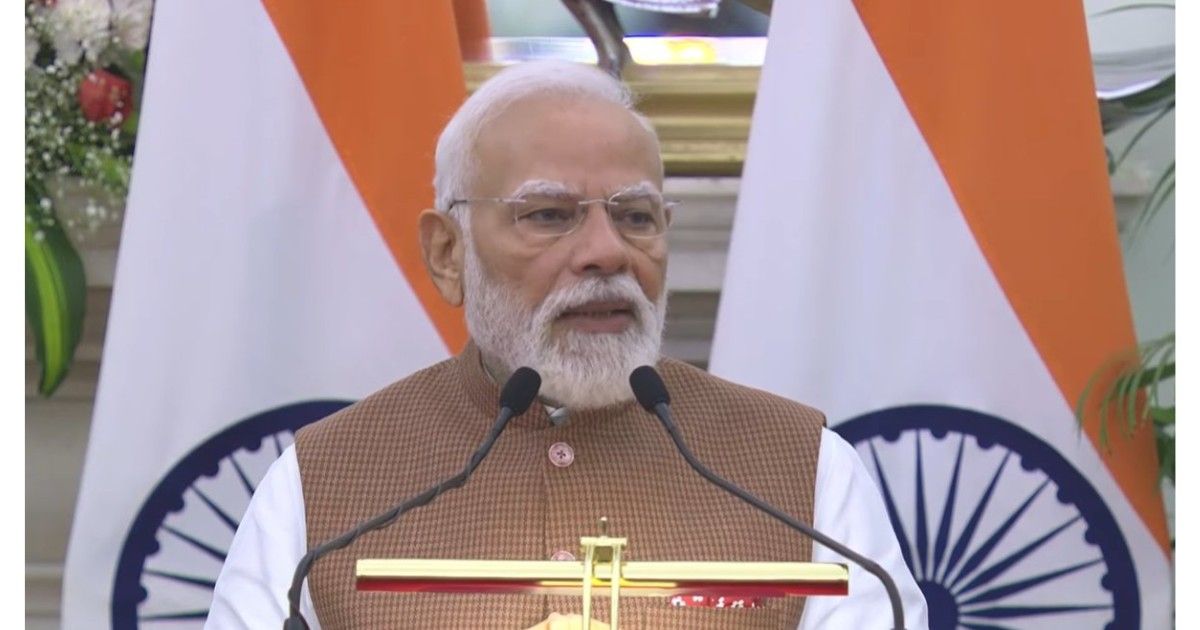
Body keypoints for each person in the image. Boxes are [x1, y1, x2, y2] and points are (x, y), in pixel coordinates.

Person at [206, 60, 929, 629]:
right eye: (549, 215)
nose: (606, 253)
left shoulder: (803, 472)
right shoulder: (325, 482)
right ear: (448, 252)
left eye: (636, 216)